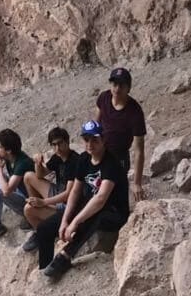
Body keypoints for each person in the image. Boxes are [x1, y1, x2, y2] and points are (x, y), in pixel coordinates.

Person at [31, 120, 130, 281]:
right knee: (44, 228)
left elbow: (101, 198)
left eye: (94, 140)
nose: (90, 144)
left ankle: (65, 255)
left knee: (95, 213)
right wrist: (65, 220)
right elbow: (75, 191)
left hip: (114, 212)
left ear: (103, 139)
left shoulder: (111, 163)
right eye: (86, 140)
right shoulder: (84, 159)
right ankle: (45, 267)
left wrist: (75, 222)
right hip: (90, 204)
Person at [20, 127, 81, 252]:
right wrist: (38, 163)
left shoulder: (75, 161)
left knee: (28, 209)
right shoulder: (57, 157)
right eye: (54, 145)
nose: (57, 148)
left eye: (60, 143)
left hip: (68, 205)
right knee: (28, 176)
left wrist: (43, 202)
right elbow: (40, 175)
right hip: (58, 193)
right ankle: (38, 211)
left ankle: (43, 233)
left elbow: (69, 194)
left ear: (67, 142)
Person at [94, 66, 147, 201]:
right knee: (94, 189)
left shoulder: (135, 112)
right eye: (114, 84)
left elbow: (139, 150)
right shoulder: (104, 98)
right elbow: (96, 125)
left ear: (128, 88)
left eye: (121, 85)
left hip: (119, 157)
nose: (117, 89)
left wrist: (137, 183)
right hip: (101, 151)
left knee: (113, 195)